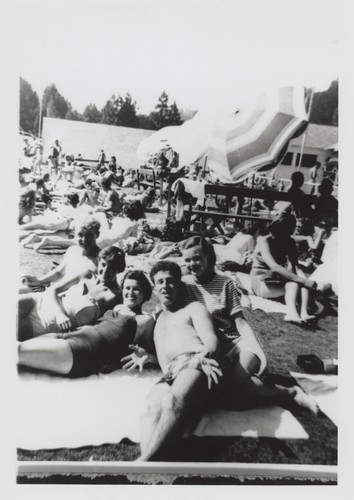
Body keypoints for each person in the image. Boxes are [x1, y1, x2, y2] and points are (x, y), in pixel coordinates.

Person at [139, 261, 222, 461]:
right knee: (149, 408)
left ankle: (143, 463)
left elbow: (211, 340)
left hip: (195, 361)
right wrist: (148, 357)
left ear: (179, 284)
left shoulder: (193, 308)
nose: (165, 286)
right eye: (160, 282)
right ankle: (146, 460)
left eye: (171, 281)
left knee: (171, 402)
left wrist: (206, 355)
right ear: (155, 288)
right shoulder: (157, 319)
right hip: (169, 373)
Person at [17, 270, 156, 378]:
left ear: (146, 294)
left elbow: (153, 353)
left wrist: (149, 357)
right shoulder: (117, 308)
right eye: (127, 288)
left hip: (85, 352)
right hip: (72, 336)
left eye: (136, 289)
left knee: (14, 352)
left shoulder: (146, 320)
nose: (130, 293)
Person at [18, 246, 126, 340]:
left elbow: (101, 328)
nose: (105, 270)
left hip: (48, 321)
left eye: (112, 267)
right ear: (99, 261)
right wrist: (60, 314)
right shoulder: (86, 274)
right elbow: (52, 290)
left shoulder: (113, 297)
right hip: (42, 301)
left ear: (119, 270)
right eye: (103, 264)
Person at [250, 213, 317, 324]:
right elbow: (274, 267)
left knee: (300, 281)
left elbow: (295, 267)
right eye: (292, 227)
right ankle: (292, 313)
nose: (294, 230)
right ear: (282, 228)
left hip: (276, 278)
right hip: (260, 280)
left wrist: (305, 280)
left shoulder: (289, 241)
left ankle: (304, 313)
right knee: (296, 282)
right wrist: (303, 280)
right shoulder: (263, 240)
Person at [21, 216, 101, 293]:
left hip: (70, 298)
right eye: (80, 235)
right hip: (53, 290)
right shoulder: (72, 250)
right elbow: (58, 272)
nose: (84, 239)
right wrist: (39, 280)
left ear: (97, 234)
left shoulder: (101, 260)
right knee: (19, 291)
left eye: (89, 235)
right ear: (74, 235)